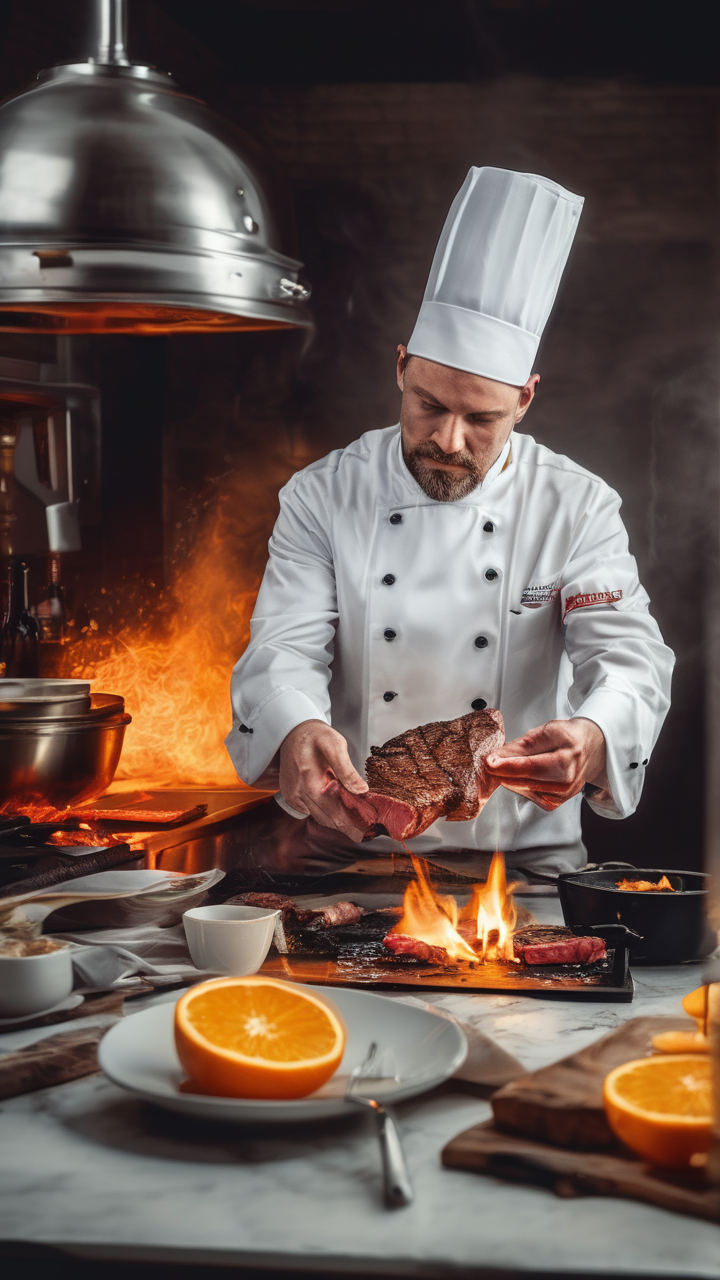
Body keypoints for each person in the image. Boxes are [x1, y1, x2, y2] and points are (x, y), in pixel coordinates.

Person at [226, 167, 674, 877]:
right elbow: (284, 647)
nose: (450, 440)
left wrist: (592, 735)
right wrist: (297, 727)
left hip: (521, 859)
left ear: (525, 399)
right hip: (346, 851)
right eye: (430, 404)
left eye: (483, 418)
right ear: (401, 368)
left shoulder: (577, 505)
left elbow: (630, 661)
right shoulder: (321, 495)